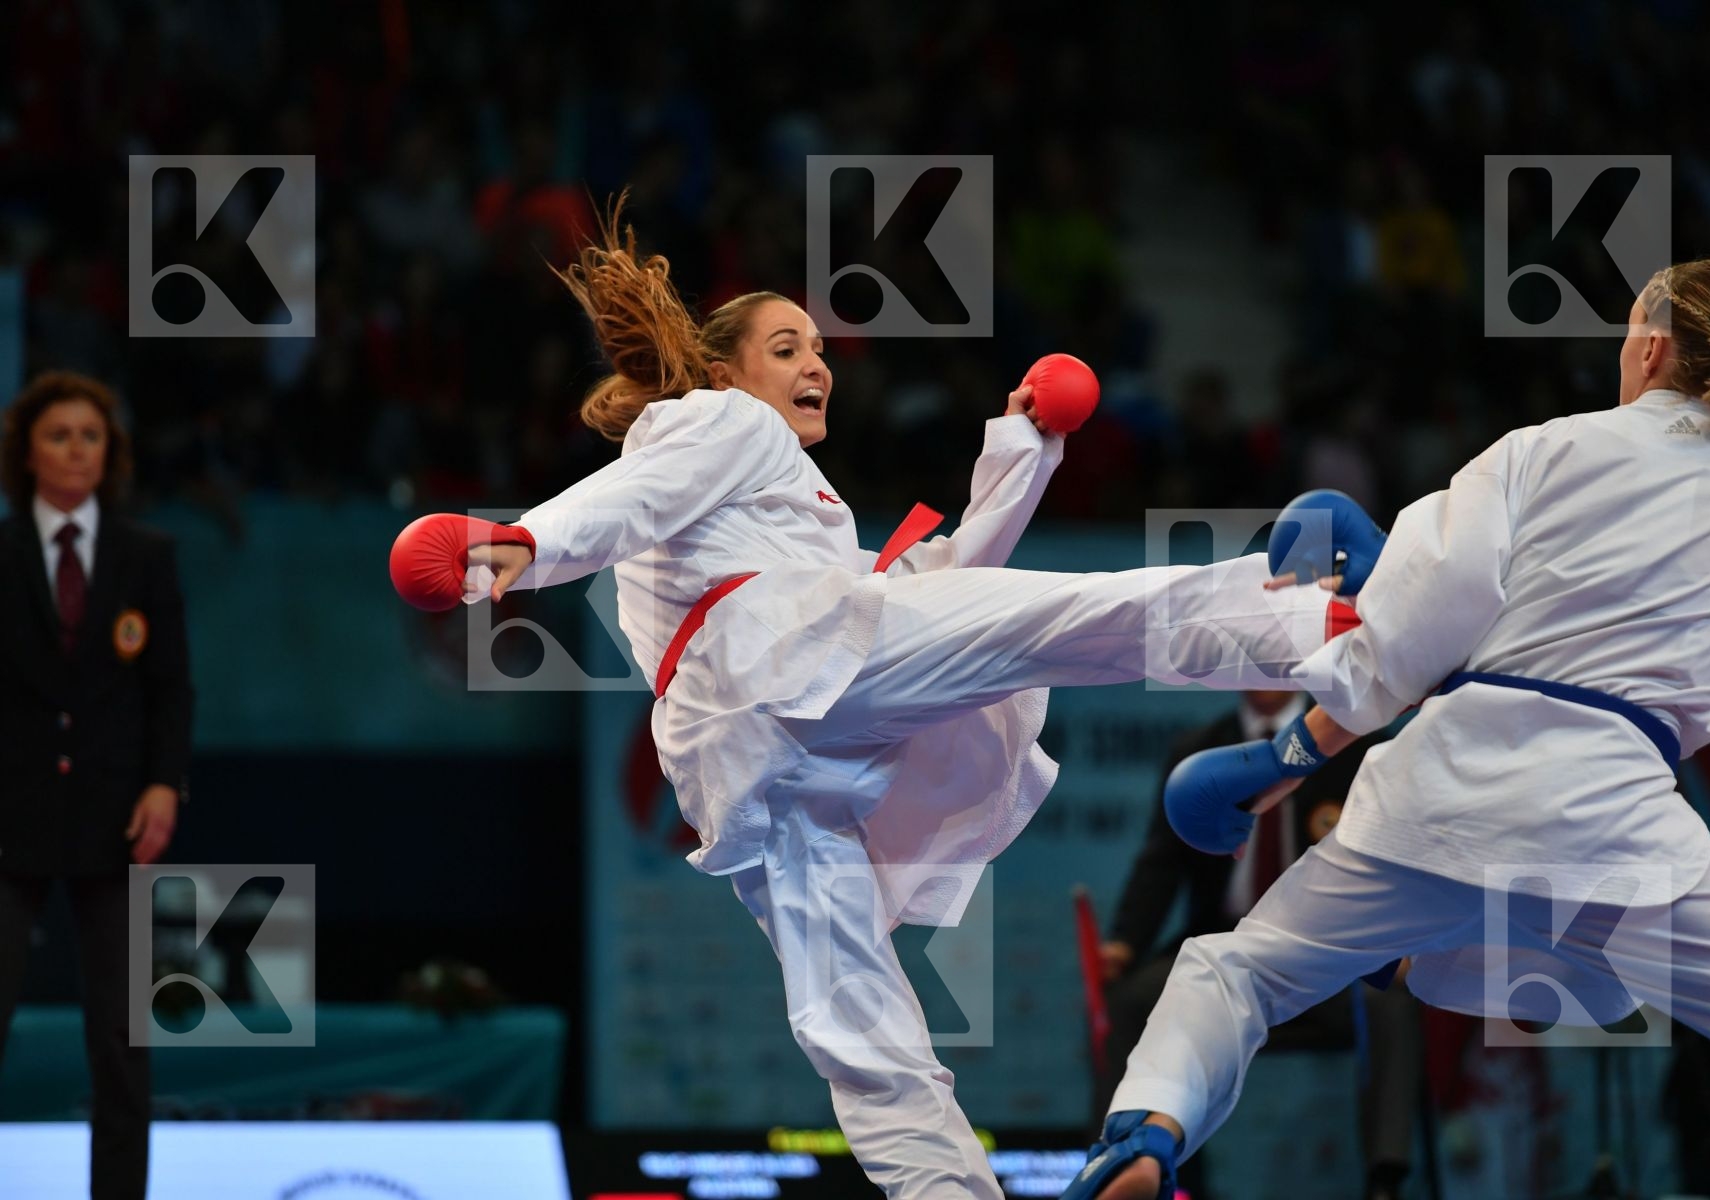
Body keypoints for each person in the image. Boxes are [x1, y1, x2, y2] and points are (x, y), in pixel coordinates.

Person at [389, 199, 1347, 1200]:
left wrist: (1020, 453)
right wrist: (515, 548)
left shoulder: (779, 508)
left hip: (756, 763)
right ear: (726, 373)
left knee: (855, 1024)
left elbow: (934, 580)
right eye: (787, 346)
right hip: (792, 666)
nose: (819, 364)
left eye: (819, 347)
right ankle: (1327, 628)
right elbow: (625, 505)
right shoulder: (714, 421)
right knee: (1064, 622)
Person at [1061, 259, 1710, 1200]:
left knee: (1235, 971)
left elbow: (1407, 636)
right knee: (1695, 994)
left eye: (1624, 333)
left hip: (1447, 794)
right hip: (1619, 820)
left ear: (1652, 345)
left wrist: (1282, 757)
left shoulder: (1542, 450)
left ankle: (1146, 1134)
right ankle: (1450, 954)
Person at [1098, 691, 1418, 1200]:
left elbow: (1392, 863)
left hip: (1328, 951)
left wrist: (1399, 943)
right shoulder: (1201, 750)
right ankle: (1156, 1171)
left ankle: (1387, 1179)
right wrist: (1123, 944)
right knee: (1138, 996)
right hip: (1224, 938)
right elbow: (1161, 863)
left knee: (1389, 1000)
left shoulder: (1359, 745)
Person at [0, 369, 194, 1200]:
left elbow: (170, 687)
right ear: (27, 453)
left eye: (91, 434)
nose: (77, 448)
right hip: (7, 818)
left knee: (121, 1040)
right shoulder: (0, 554)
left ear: (108, 452)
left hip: (118, 817)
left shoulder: (145, 556)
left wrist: (165, 787)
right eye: (59, 434)